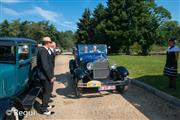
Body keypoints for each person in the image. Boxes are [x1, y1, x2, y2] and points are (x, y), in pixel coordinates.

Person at [37, 37, 55, 115]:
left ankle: (46, 105)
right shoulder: (43, 51)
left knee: (46, 91)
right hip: (45, 76)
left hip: (45, 75)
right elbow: (45, 66)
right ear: (47, 43)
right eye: (50, 42)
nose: (51, 44)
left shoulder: (43, 50)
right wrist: (51, 77)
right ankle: (44, 109)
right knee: (47, 92)